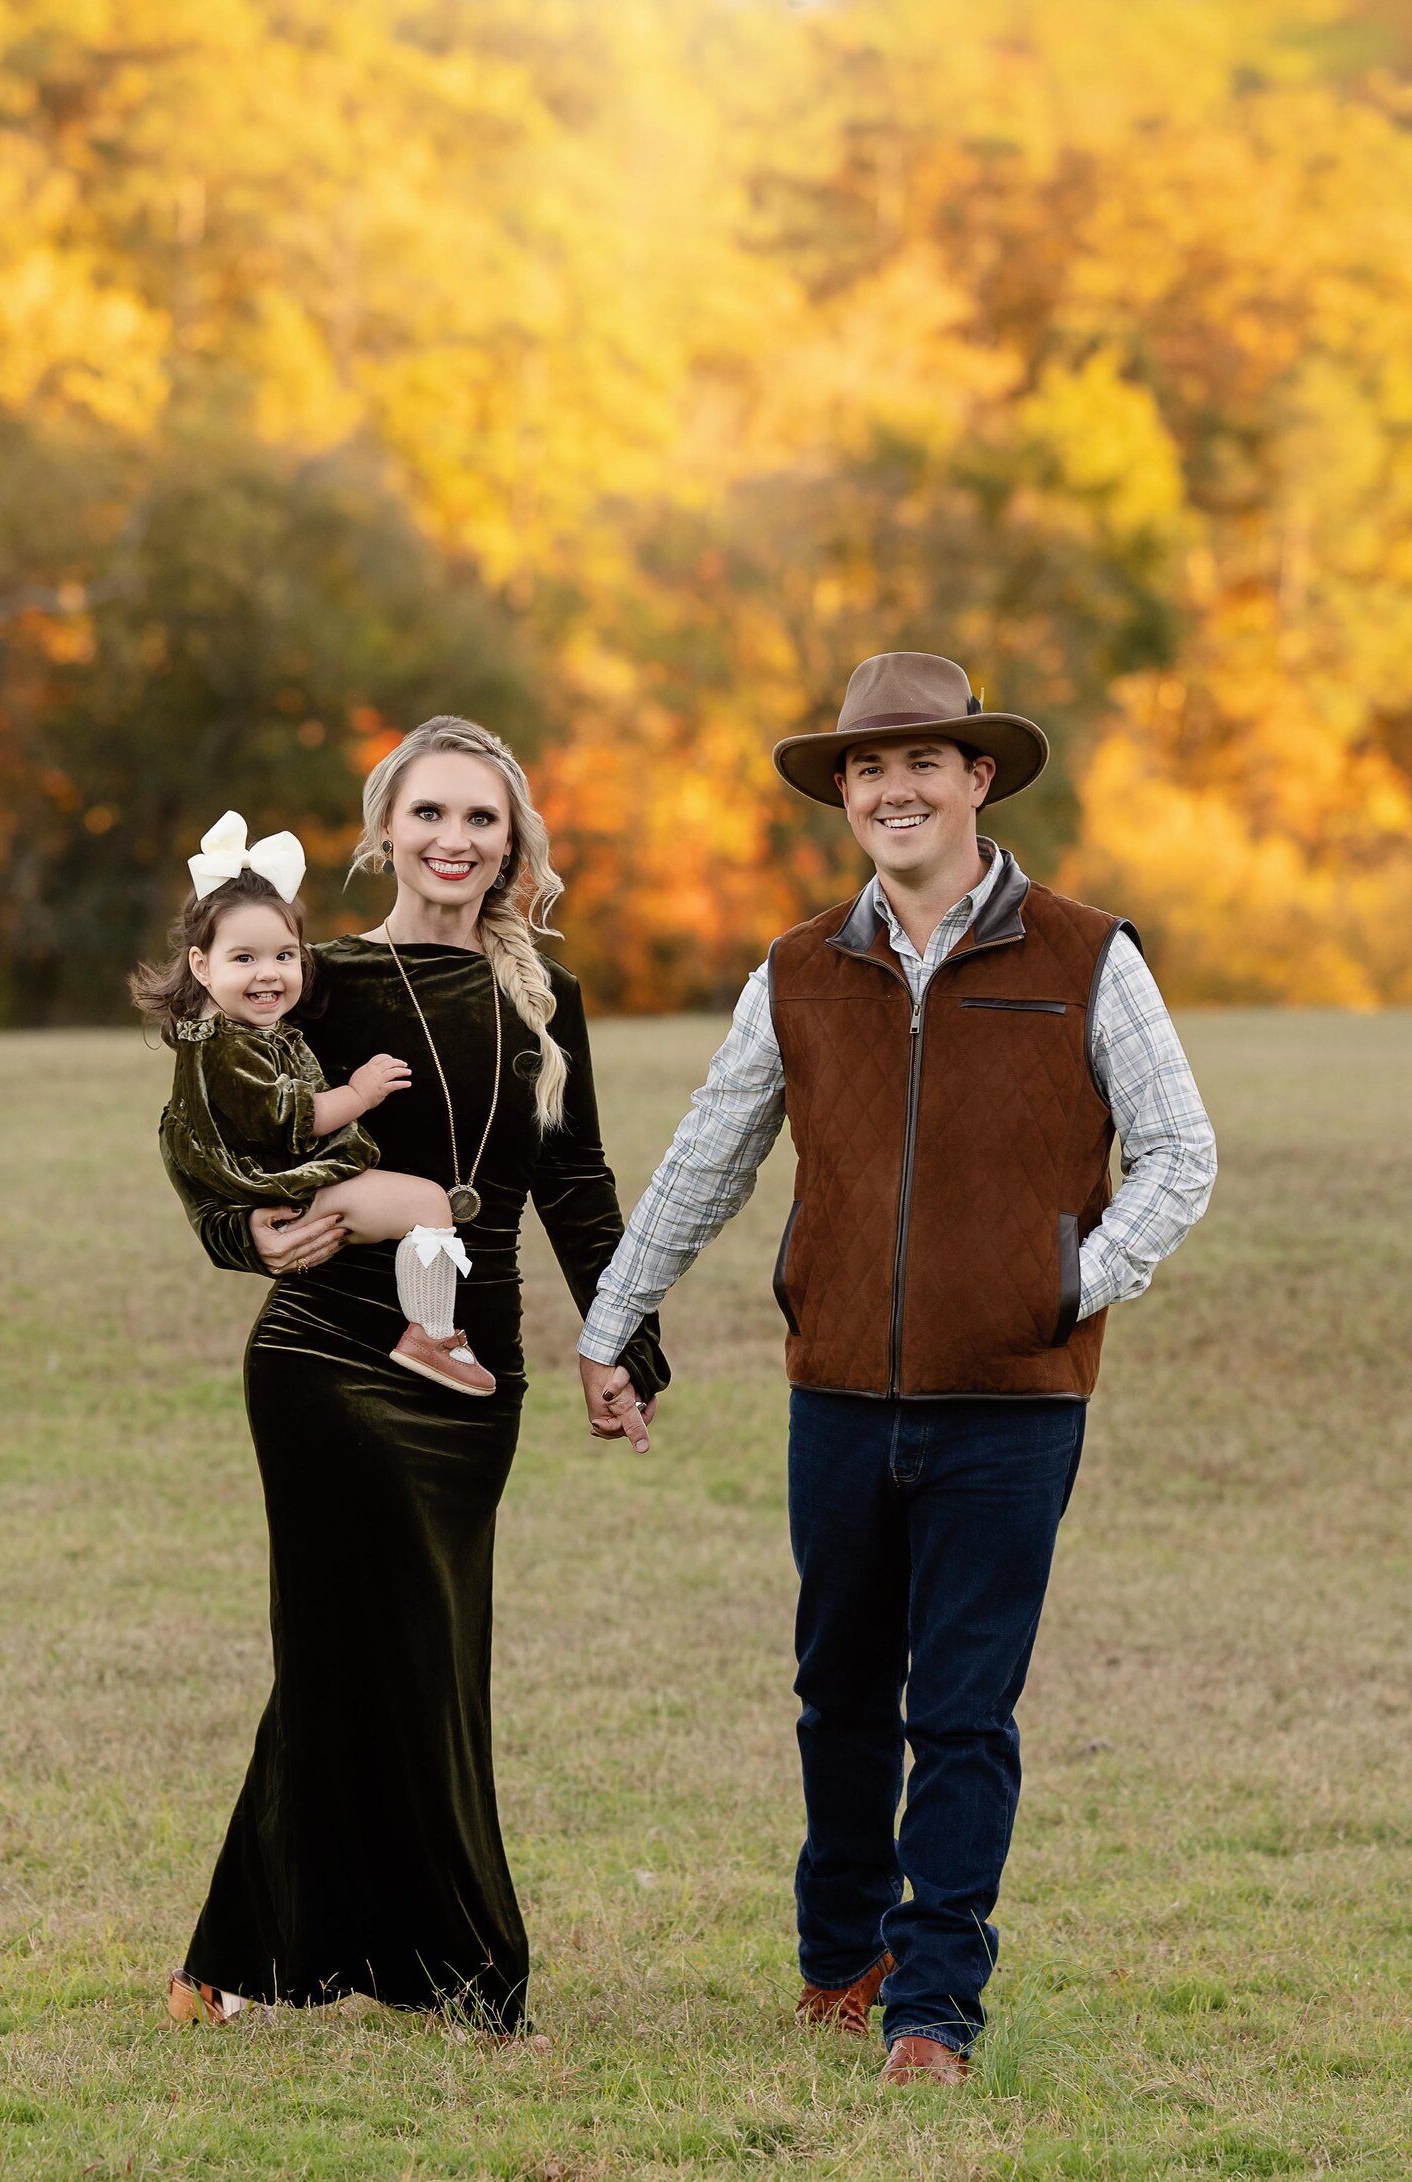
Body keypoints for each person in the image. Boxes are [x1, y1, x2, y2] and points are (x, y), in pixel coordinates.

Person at [576, 651, 1216, 2082]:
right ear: (845, 794)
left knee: (964, 1712)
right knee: (841, 1696)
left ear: (979, 776)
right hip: (841, 1396)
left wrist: (1067, 1281)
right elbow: (708, 1153)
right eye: (869, 768)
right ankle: (838, 1958)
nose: (895, 788)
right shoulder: (800, 968)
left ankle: (934, 2008)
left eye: (924, 761)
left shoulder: (1087, 952)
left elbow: (1183, 1154)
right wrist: (613, 1318)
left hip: (1014, 1405)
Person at [158, 717, 666, 2033]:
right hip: (327, 1346)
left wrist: (624, 1341)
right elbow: (208, 1115)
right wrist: (240, 1232)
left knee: (394, 1642)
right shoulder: (312, 973)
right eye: (429, 814)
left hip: (469, 1359)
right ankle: (466, 1968)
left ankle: (240, 1956)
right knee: (381, 1642)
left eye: (482, 818)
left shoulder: (543, 994)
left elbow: (579, 1183)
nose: (454, 840)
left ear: (515, 842)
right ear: (383, 826)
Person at [132, 811, 497, 1396]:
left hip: (278, 1188)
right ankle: (432, 1332)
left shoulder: (222, 1033)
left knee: (418, 1204)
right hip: (283, 1184)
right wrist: (360, 1093)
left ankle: (429, 1327)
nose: (269, 975)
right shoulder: (227, 1049)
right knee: (429, 1204)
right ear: (201, 965)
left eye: (284, 956)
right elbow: (292, 1120)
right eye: (243, 958)